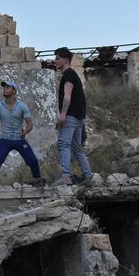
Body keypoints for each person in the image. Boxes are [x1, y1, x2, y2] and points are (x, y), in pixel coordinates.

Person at [0, 79, 43, 190]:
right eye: (4, 87)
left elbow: (30, 124)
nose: (4, 89)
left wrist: (25, 131)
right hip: (5, 140)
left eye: (7, 87)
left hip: (19, 139)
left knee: (32, 160)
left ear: (14, 91)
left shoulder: (22, 106)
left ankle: (38, 181)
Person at [53, 47, 93, 186]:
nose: (55, 61)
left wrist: (63, 115)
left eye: (58, 58)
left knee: (63, 144)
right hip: (78, 117)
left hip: (70, 116)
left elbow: (67, 96)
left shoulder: (68, 75)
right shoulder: (73, 74)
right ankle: (88, 176)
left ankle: (65, 178)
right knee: (77, 148)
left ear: (66, 59)